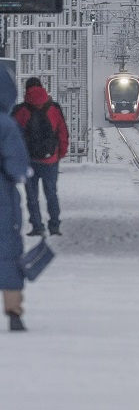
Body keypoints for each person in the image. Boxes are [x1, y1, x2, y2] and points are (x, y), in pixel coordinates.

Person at [13, 77, 68, 237]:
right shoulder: (54, 108)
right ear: (42, 88)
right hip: (50, 160)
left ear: (26, 89)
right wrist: (60, 153)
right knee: (51, 193)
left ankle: (37, 226)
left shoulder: (20, 110)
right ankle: (54, 226)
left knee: (32, 196)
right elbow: (62, 132)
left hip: (29, 161)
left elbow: (15, 136)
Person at [0, 72, 32, 331]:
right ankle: (13, 311)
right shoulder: (6, 125)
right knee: (7, 252)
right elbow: (18, 167)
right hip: (2, 200)